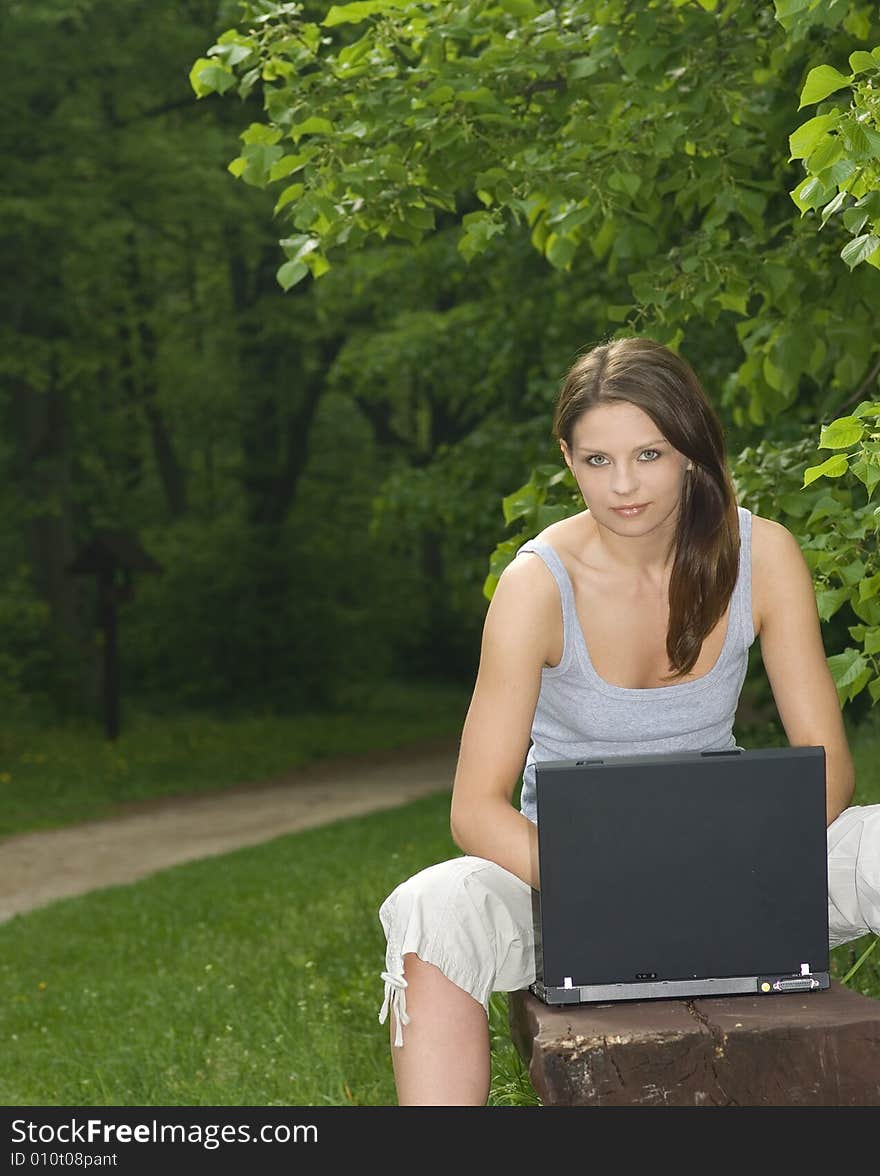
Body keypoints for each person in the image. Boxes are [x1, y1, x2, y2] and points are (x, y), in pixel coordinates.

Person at [376, 335, 880, 1106]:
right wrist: (610, 888)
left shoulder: (763, 555)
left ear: (690, 450)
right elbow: (475, 809)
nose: (622, 487)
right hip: (570, 888)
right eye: (596, 460)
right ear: (567, 458)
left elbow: (829, 768)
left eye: (648, 455)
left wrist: (722, 871)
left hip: (741, 868)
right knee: (430, 910)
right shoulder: (535, 587)